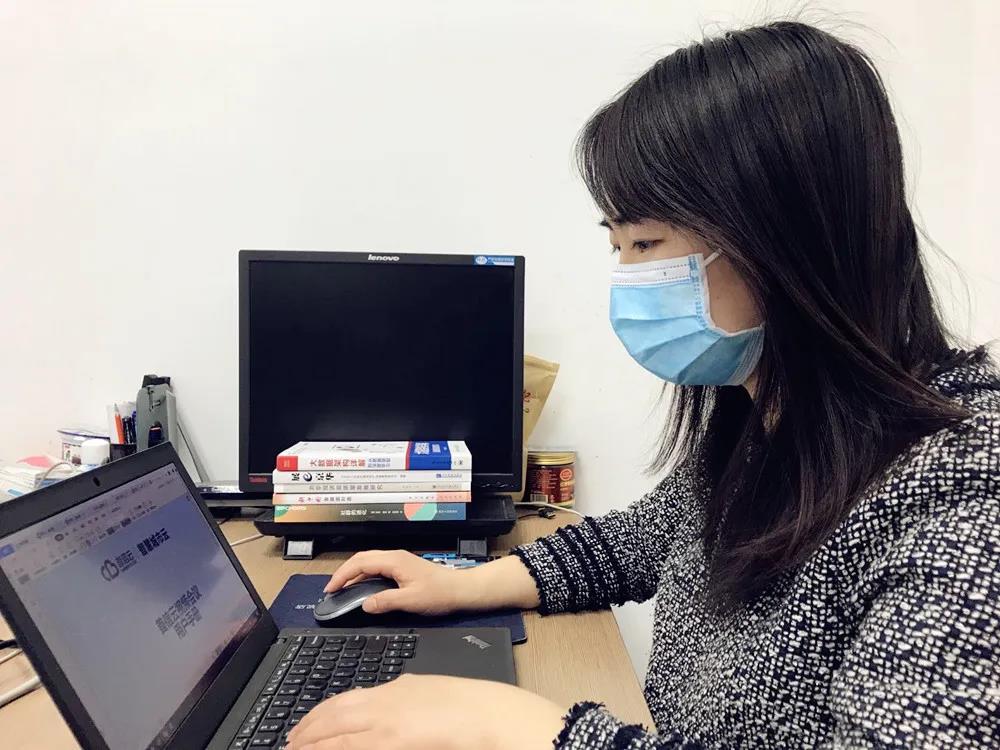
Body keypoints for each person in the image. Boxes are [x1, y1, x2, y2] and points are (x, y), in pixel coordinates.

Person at [287, 20, 1000, 750]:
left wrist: (523, 729)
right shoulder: (772, 416)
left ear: (786, 236)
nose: (629, 276)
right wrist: (464, 584)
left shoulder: (962, 495)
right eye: (617, 245)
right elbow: (647, 539)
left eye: (647, 243)